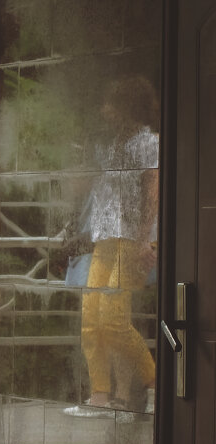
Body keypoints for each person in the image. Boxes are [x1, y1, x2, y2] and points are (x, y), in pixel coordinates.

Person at [64, 74, 159, 418]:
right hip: (104, 237)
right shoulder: (110, 143)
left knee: (114, 318)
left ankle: (156, 381)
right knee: (91, 318)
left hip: (131, 240)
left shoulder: (148, 143)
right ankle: (100, 396)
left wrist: (146, 240)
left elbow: (153, 194)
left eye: (111, 104)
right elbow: (88, 186)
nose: (105, 110)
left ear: (126, 106)